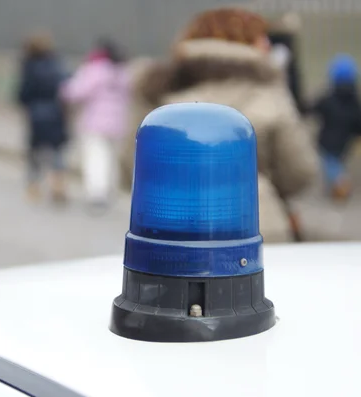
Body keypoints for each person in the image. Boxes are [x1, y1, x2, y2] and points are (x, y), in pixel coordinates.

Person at [121, 8, 319, 243]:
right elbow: (300, 173)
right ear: (254, 43)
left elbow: (129, 171)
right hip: (256, 230)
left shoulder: (154, 89)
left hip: (166, 233)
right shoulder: (269, 89)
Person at [61, 38, 130, 212]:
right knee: (112, 159)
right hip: (118, 122)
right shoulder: (123, 73)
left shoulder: (94, 70)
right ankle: (110, 190)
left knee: (96, 157)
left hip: (94, 122)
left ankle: (97, 193)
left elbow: (75, 92)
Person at [16, 32, 69, 204]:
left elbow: (23, 93)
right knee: (57, 152)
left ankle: (33, 188)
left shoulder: (29, 67)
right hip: (56, 113)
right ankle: (58, 185)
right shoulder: (57, 65)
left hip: (36, 114)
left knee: (34, 154)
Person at [309, 55, 361, 202]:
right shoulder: (354, 102)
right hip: (345, 143)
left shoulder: (328, 98)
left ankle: (341, 185)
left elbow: (313, 107)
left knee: (331, 165)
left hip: (326, 141)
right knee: (336, 163)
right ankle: (335, 188)